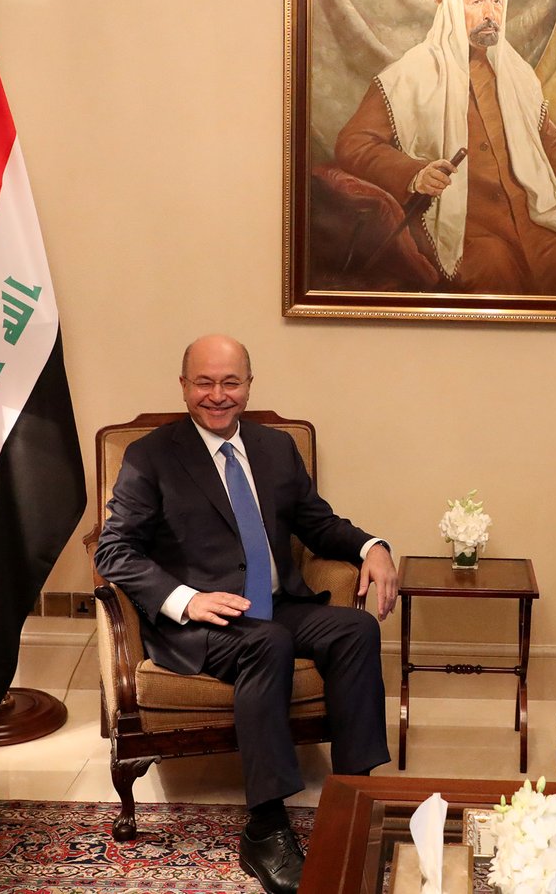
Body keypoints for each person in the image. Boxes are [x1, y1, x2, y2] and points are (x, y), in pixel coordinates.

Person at [94, 334, 397, 894]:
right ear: (183, 386)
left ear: (249, 386)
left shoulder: (274, 447)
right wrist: (187, 599)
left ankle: (355, 797)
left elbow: (317, 522)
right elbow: (113, 551)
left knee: (356, 628)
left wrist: (370, 546)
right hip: (204, 621)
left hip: (276, 604)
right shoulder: (151, 456)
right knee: (268, 643)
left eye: (230, 382)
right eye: (204, 382)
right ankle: (266, 826)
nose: (218, 395)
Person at [334, 0, 556, 296]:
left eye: (497, 0)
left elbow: (549, 142)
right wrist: (415, 173)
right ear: (453, 8)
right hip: (461, 228)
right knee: (494, 277)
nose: (490, 13)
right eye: (477, 0)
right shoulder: (409, 75)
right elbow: (354, 143)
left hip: (533, 220)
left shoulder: (516, 74)